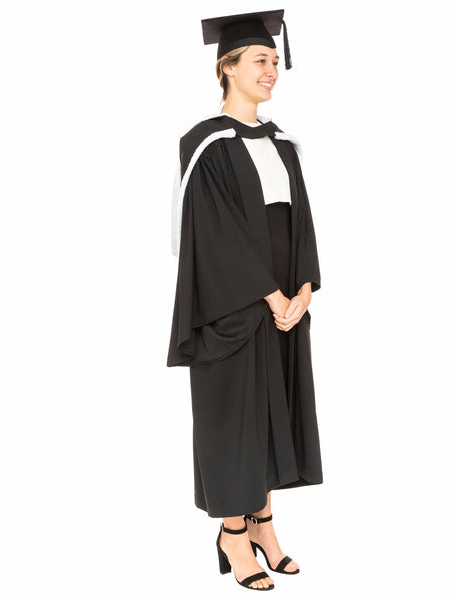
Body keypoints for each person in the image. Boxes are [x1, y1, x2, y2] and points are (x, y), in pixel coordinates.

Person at [166, 9, 323, 591]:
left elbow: (300, 222)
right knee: (232, 419)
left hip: (283, 304)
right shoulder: (203, 145)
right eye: (260, 60)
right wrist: (268, 292)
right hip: (231, 306)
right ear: (226, 67)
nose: (272, 70)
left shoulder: (283, 143)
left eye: (275, 61)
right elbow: (215, 232)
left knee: (271, 413)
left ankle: (264, 525)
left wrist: (303, 288)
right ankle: (234, 534)